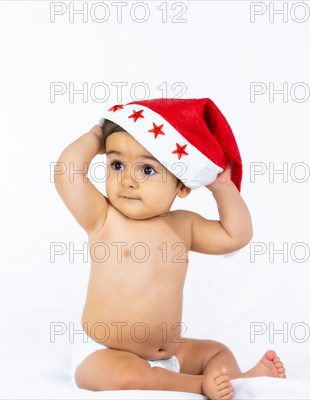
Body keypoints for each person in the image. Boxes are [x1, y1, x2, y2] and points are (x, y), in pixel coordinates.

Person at [54, 98, 286, 400]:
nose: (127, 180)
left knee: (217, 352)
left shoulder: (184, 226)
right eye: (117, 164)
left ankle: (237, 380)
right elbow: (66, 174)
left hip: (171, 350)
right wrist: (97, 136)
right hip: (106, 354)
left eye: (147, 170)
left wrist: (222, 186)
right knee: (126, 377)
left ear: (182, 185)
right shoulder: (103, 218)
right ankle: (198, 386)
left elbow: (235, 235)